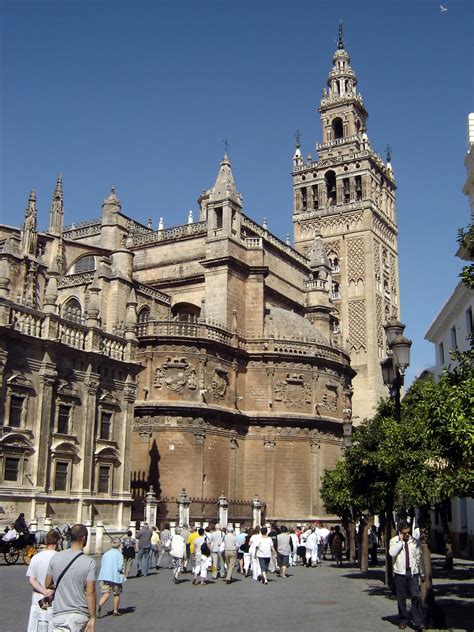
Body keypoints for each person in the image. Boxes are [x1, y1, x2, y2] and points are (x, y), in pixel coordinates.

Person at [45, 523, 96, 632]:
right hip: (79, 615)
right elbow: (90, 592)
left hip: (59, 614)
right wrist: (92, 617)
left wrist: (63, 585)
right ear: (84, 538)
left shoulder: (55, 557)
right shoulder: (90, 562)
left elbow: (47, 584)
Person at [389, 520, 425, 631]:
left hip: (413, 573)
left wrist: (422, 573)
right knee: (401, 599)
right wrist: (400, 542)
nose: (407, 534)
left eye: (408, 532)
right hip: (400, 573)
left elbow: (419, 558)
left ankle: (418, 622)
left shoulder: (415, 542)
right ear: (400, 532)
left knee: (415, 597)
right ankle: (403, 620)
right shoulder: (394, 541)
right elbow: (392, 553)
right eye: (404, 533)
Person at [26, 529, 60, 632]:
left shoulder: (36, 557)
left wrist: (43, 591)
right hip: (54, 597)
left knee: (36, 626)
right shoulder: (60, 558)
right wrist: (50, 592)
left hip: (38, 597)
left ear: (46, 541)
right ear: (57, 541)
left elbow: (32, 579)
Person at [97, 538, 126, 618]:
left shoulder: (106, 554)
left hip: (104, 576)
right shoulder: (119, 554)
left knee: (105, 594)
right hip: (115, 577)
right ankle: (115, 611)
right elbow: (120, 567)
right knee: (116, 594)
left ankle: (99, 605)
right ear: (119, 544)